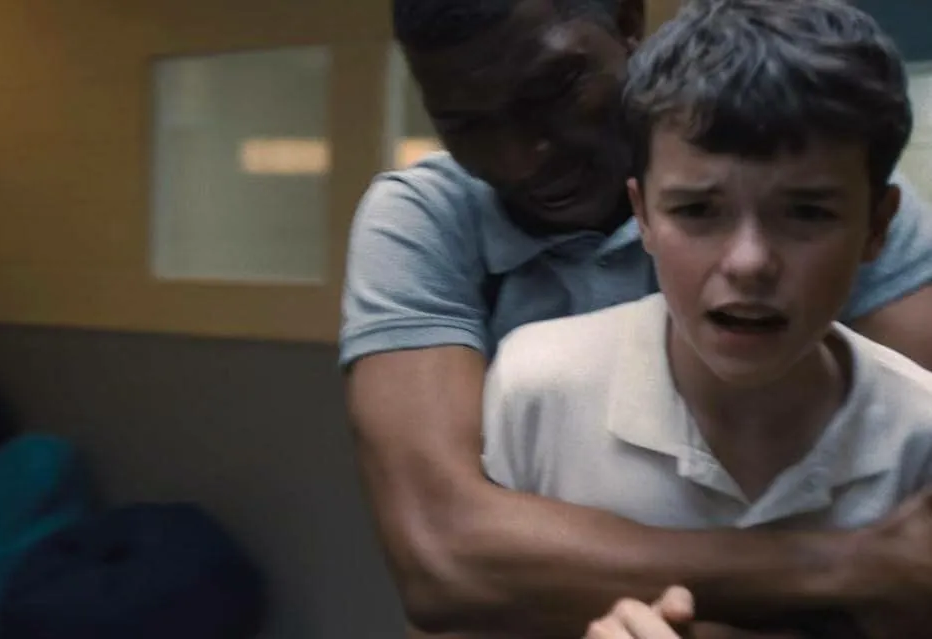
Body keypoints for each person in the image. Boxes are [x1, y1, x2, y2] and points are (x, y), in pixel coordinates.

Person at [341, 0, 932, 636]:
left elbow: (915, 532)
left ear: (628, 22)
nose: (522, 159)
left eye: (555, 89)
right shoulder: (510, 347)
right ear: (644, 213)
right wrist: (848, 567)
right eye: (465, 123)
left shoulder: (829, 190)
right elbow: (448, 561)